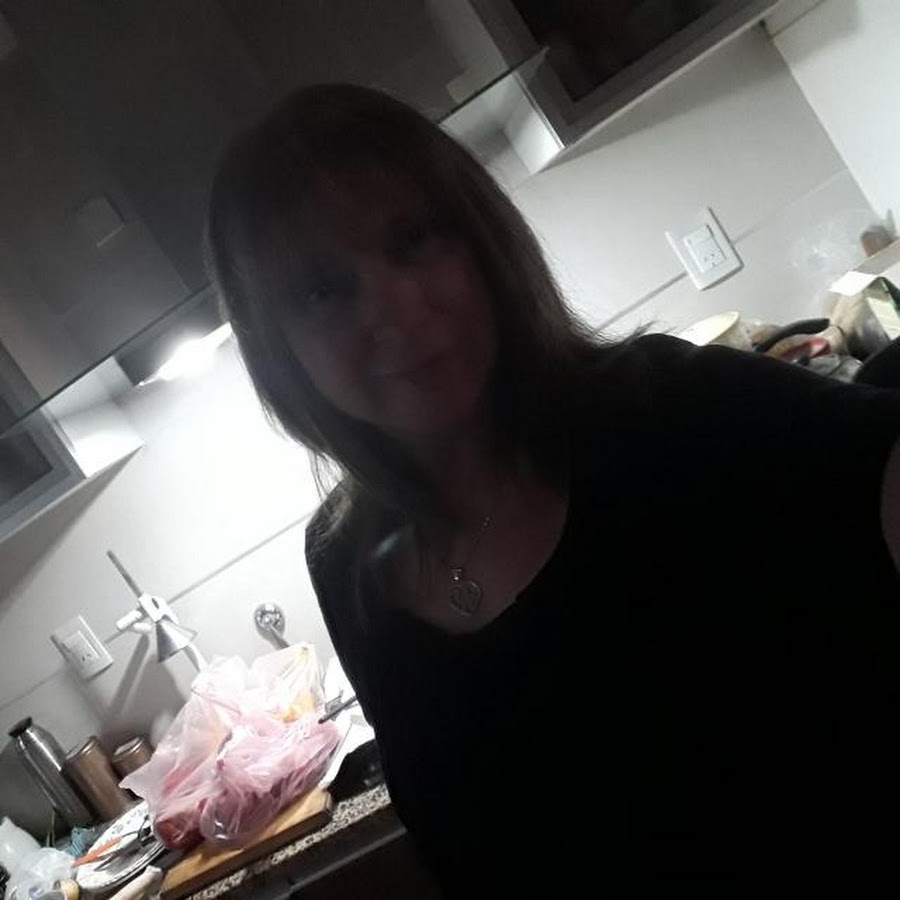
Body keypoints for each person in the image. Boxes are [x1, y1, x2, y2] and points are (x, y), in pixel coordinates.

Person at [206, 84, 900, 894]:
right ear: (278, 348)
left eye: (415, 239)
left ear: (481, 241)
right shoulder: (345, 565)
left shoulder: (670, 409)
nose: (396, 309)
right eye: (322, 290)